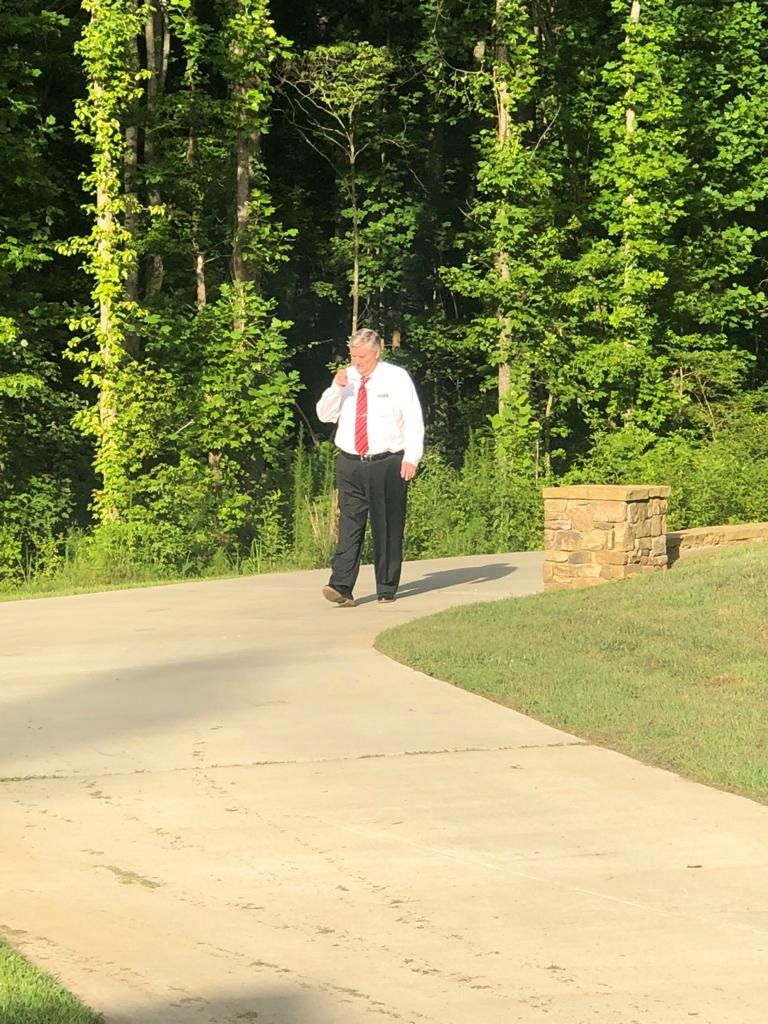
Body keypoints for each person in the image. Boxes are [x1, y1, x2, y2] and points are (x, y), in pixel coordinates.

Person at [316, 328, 424, 606]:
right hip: (350, 461)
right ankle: (341, 585)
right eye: (353, 356)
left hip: (386, 461)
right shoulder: (347, 378)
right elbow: (325, 415)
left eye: (362, 356)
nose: (357, 362)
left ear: (377, 353)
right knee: (349, 523)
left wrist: (412, 456)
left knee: (387, 524)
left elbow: (413, 418)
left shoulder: (396, 378)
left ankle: (386, 586)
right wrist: (336, 388)